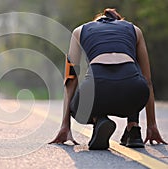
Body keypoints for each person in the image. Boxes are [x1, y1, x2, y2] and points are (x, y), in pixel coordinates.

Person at [49, 8, 167, 150]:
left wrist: (65, 126)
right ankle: (133, 129)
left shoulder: (79, 31)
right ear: (119, 22)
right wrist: (152, 125)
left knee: (80, 105)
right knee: (132, 72)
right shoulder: (135, 30)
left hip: (98, 89)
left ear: (96, 22)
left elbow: (71, 79)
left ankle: (98, 120)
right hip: (134, 92)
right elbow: (147, 80)